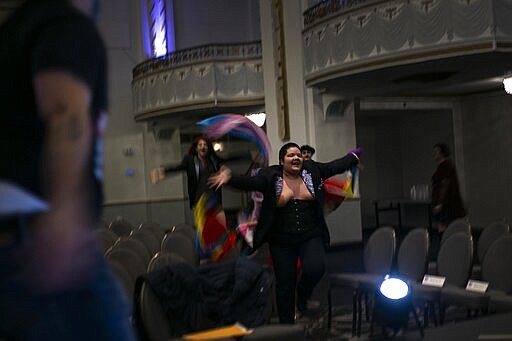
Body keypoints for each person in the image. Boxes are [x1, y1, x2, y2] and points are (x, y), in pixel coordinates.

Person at [0, 0, 135, 339]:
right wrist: (61, 217)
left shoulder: (16, 30)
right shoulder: (63, 23)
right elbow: (64, 111)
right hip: (36, 240)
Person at [209, 142, 361, 323]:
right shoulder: (271, 175)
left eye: (298, 155)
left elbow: (334, 166)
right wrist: (230, 178)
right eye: (291, 155)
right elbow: (251, 183)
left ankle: (303, 294)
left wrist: (353, 157)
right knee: (284, 284)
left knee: (316, 268)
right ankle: (287, 326)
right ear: (282, 161)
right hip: (281, 240)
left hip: (310, 234)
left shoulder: (312, 171)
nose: (296, 157)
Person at [150, 136, 227, 210]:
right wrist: (163, 170)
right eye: (200, 145)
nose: (203, 147)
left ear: (208, 148)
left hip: (213, 198)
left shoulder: (213, 160)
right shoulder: (190, 161)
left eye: (205, 145)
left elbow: (228, 158)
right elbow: (178, 167)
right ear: (196, 148)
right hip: (199, 198)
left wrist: (239, 156)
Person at [431, 143, 466, 232]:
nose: (434, 154)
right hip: (446, 204)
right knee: (444, 227)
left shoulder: (446, 166)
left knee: (444, 228)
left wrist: (440, 203)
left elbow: (445, 185)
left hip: (447, 204)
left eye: (436, 152)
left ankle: (446, 244)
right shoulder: (443, 166)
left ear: (442, 153)